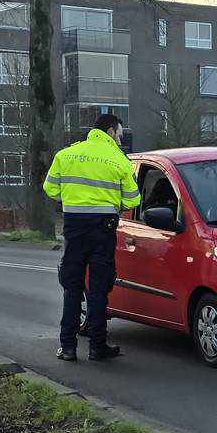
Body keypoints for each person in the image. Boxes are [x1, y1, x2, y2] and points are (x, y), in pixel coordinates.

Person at [43, 110, 139, 362]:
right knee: (98, 289)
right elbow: (133, 200)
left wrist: (71, 200)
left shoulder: (65, 155)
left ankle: (68, 347)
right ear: (110, 131)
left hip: (74, 227)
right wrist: (112, 203)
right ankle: (97, 347)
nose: (120, 141)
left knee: (72, 287)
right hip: (103, 229)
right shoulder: (119, 161)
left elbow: (50, 188)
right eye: (120, 135)